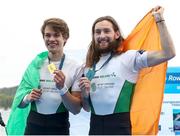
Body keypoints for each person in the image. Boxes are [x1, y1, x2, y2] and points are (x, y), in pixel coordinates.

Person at [79, 6, 176, 135]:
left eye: (106, 31)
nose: (102, 35)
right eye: (97, 32)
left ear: (117, 34)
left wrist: (159, 20)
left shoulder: (129, 58)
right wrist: (85, 95)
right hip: (94, 128)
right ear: (93, 36)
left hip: (120, 128)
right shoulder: (89, 66)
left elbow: (168, 53)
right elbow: (86, 108)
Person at [6, 18, 82, 135]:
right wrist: (28, 98)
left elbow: (76, 110)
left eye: (56, 35)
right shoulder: (35, 64)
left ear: (65, 37)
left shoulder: (76, 67)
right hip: (33, 125)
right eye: (47, 35)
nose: (51, 39)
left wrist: (62, 88)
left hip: (59, 126)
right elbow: (19, 104)